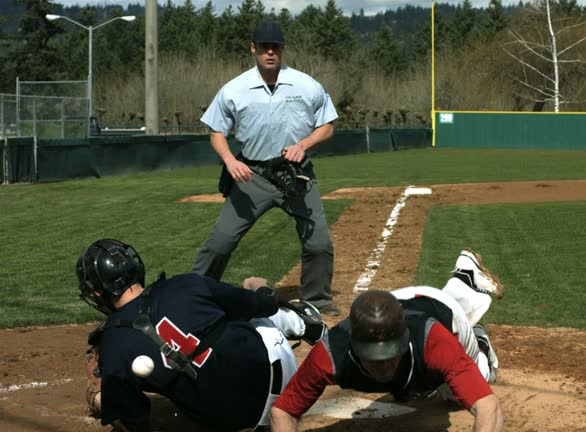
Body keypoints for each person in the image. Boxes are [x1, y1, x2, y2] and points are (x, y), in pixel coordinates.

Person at [76, 239, 326, 432]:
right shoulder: (185, 284)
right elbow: (265, 305)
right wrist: (258, 286)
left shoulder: (112, 343)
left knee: (129, 398)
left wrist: (102, 399)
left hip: (231, 420)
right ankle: (301, 321)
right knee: (244, 308)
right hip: (282, 374)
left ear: (97, 294)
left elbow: (134, 421)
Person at [271, 249, 506, 432]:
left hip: (446, 315)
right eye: (373, 359)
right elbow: (283, 411)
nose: (383, 367)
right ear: (354, 347)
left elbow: (488, 406)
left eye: (391, 355)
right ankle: (462, 278)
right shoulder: (331, 353)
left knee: (456, 397)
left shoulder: (435, 341)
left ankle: (480, 339)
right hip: (391, 306)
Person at [194, 20, 340, 315]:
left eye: (275, 47)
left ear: (283, 49)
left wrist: (304, 144)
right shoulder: (235, 88)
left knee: (318, 243)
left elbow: (328, 126)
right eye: (263, 47)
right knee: (220, 242)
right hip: (252, 176)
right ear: (253, 49)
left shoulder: (305, 84)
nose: (269, 53)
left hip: (296, 174)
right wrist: (230, 161)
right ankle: (194, 295)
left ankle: (318, 300)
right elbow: (216, 132)